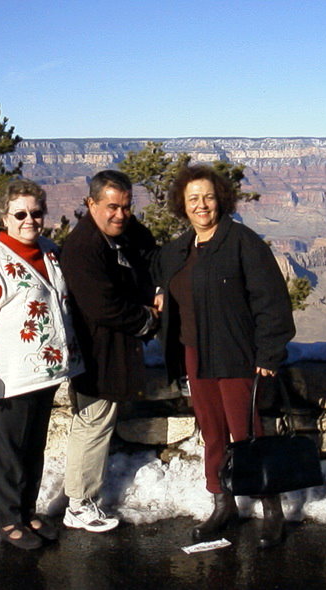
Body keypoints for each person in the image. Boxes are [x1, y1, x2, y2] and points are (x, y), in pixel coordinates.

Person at [156, 164, 296, 549]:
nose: (202, 206)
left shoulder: (242, 242)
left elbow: (272, 302)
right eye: (193, 199)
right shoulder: (178, 250)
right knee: (212, 432)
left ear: (221, 200)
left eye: (209, 197)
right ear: (181, 206)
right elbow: (162, 279)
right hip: (195, 354)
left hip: (236, 353)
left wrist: (269, 351)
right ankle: (223, 505)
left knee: (247, 433)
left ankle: (272, 510)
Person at [0, 178, 83, 550]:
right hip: (6, 374)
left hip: (42, 372)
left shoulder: (48, 250)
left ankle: (27, 510)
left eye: (36, 213)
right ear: (4, 217)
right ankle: (8, 520)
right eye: (21, 214)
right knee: (6, 452)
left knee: (31, 448)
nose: (30, 220)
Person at [60, 170, 158, 533]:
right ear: (91, 204)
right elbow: (103, 307)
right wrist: (149, 319)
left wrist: (158, 288)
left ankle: (82, 498)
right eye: (112, 207)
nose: (120, 215)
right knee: (92, 423)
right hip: (95, 353)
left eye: (127, 207)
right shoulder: (83, 247)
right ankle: (79, 505)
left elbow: (151, 256)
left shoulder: (124, 233)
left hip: (115, 348)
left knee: (98, 422)